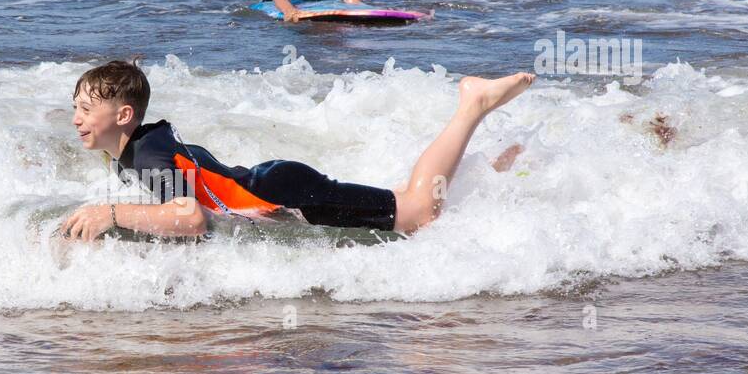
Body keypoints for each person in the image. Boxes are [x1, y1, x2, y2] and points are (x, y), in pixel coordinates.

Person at [58, 60, 532, 241]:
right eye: (74, 108)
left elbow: (191, 217)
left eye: (85, 109)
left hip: (286, 192)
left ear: (123, 116)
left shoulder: (146, 156)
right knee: (402, 198)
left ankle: (473, 105)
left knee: (417, 213)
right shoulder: (134, 147)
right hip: (273, 185)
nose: (75, 118)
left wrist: (111, 214)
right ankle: (483, 174)